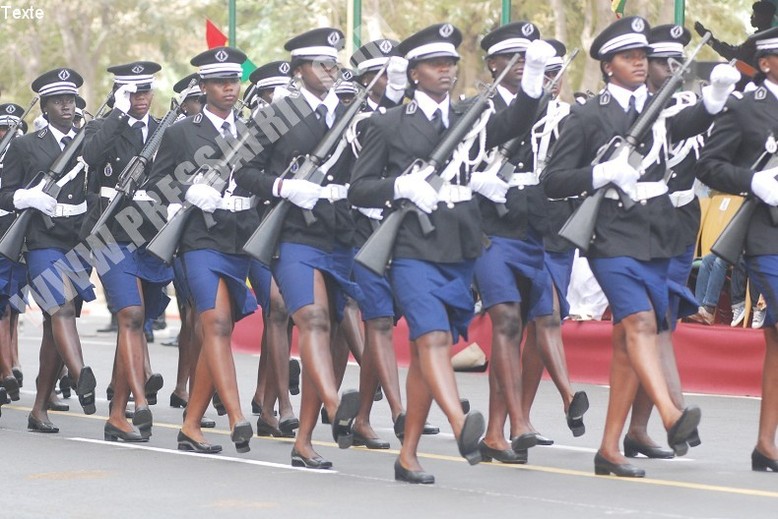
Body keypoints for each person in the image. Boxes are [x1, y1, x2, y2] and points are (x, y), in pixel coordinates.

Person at [350, 23, 549, 483]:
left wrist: (533, 75)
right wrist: (399, 185)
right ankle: (463, 425)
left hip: (458, 246)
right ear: (414, 73)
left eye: (451, 64)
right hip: (412, 246)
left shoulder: (471, 116)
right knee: (432, 339)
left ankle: (408, 455)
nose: (446, 71)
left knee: (426, 354)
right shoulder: (385, 124)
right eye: (436, 64)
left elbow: (516, 122)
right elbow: (359, 187)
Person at [542, 16, 735, 477]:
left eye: (642, 57)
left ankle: (610, 448)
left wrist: (716, 96)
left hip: (656, 233)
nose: (639, 63)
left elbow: (689, 123)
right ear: (608, 66)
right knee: (640, 322)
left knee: (629, 344)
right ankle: (670, 414)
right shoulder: (588, 116)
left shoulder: (660, 106)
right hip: (610, 234)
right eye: (629, 57)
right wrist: (600, 174)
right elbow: (553, 180)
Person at [234, 27, 362, 469]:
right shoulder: (276, 115)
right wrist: (284, 185)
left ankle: (304, 441)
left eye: (333, 64)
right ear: (298, 70)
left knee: (325, 332)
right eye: (320, 65)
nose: (330, 71)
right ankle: (333, 403)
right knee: (311, 319)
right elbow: (242, 173)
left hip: (337, 234)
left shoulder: (350, 115)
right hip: (291, 234)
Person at [472, 23, 579, 464]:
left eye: (525, 58)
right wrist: (478, 179)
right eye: (511, 58)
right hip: (488, 227)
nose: (519, 65)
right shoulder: (476, 107)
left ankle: (497, 432)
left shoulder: (543, 106)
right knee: (506, 321)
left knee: (535, 321)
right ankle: (517, 421)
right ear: (492, 64)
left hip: (533, 226)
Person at [622, 24, 729, 460]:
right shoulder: (633, 110)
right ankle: (670, 411)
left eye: (674, 63)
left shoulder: (689, 106)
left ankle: (646, 425)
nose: (669, 70)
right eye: (661, 62)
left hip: (680, 220)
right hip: (637, 221)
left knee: (663, 319)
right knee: (645, 322)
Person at [148, 46, 256, 454]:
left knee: (222, 328)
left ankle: (191, 424)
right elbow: (157, 186)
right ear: (204, 86)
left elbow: (258, 180)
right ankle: (237, 415)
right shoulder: (181, 132)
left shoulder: (250, 132)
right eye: (220, 82)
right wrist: (187, 189)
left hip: (238, 238)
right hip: (199, 241)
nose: (229, 88)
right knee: (213, 325)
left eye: (234, 81)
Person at [695, 25, 778, 472]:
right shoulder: (746, 107)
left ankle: (766, 444)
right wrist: (753, 181)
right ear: (765, 62)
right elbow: (708, 165)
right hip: (767, 235)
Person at [0, 68, 98, 433]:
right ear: (44, 104)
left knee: (54, 327)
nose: (67, 105)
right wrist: (27, 197)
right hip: (42, 237)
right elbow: (4, 192)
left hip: (80, 237)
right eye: (59, 100)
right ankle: (80, 373)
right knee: (61, 307)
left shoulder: (90, 138)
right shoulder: (26, 145)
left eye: (71, 99)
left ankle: (39, 408)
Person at [82, 61, 171, 442]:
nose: (141, 99)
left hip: (149, 235)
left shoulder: (163, 131)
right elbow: (91, 156)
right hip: (109, 232)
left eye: (145, 91)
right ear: (120, 93)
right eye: (132, 93)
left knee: (136, 322)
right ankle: (140, 401)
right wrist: (117, 113)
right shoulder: (102, 127)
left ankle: (116, 416)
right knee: (130, 314)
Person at [348, 38, 420, 449]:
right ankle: (398, 410)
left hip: (400, 229)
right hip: (364, 230)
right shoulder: (356, 119)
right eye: (380, 74)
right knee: (376, 320)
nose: (388, 81)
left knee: (386, 322)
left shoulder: (407, 116)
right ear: (363, 80)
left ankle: (360, 417)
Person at [241, 60, 298, 439]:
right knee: (277, 307)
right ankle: (284, 406)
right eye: (267, 94)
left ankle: (266, 401)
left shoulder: (299, 129)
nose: (273, 101)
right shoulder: (247, 132)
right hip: (254, 230)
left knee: (284, 316)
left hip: (291, 230)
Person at [0, 103, 28, 408]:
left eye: (11, 129)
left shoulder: (20, 158)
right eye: (2, 129)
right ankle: (6, 369)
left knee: (11, 307)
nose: (5, 134)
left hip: (12, 236)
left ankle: (9, 365)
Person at [695, 1, 776, 67]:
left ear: (763, 18)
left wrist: (710, 40)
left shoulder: (757, 40)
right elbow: (737, 51)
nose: (751, 17)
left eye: (754, 15)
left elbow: (734, 54)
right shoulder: (771, 36)